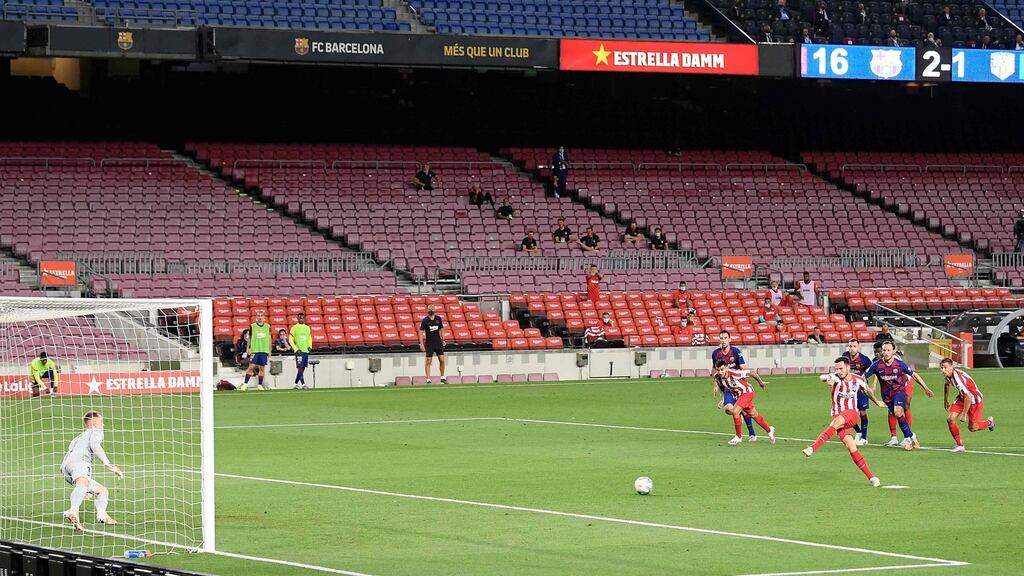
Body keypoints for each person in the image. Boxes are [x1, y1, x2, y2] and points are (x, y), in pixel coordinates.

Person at [801, 358, 884, 487]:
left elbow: (867, 390)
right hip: (837, 415)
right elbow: (823, 377)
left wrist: (876, 401)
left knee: (835, 424)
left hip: (852, 413)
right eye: (836, 369)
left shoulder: (858, 379)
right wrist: (825, 379)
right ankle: (872, 477)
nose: (838, 371)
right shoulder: (835, 378)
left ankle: (812, 448)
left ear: (848, 368)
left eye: (841, 368)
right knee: (851, 447)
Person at [61, 411, 124, 530]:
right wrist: (108, 463)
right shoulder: (96, 431)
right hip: (80, 462)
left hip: (65, 467)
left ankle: (102, 515)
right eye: (101, 421)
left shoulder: (78, 437)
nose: (103, 424)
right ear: (94, 423)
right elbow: (95, 445)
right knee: (83, 484)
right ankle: (73, 510)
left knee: (102, 491)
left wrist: (81, 489)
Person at [864, 341, 933, 449]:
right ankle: (911, 435)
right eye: (884, 350)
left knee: (898, 411)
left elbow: (914, 375)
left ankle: (908, 439)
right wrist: (865, 387)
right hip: (886, 396)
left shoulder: (899, 364)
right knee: (898, 415)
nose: (886, 353)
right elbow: (863, 377)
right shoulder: (877, 365)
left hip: (899, 392)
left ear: (893, 351)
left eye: (888, 350)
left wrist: (926, 388)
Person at [712, 331, 759, 443]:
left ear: (729, 339)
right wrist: (715, 385)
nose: (723, 340)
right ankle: (738, 414)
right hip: (727, 387)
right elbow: (714, 369)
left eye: (725, 338)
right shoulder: (716, 354)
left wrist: (743, 381)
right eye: (721, 338)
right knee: (728, 409)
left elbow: (743, 367)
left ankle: (752, 434)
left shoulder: (736, 352)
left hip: (738, 385)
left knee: (745, 411)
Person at [713, 360, 775, 446]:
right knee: (754, 415)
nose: (720, 372)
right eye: (718, 370)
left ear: (726, 368)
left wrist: (760, 382)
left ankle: (738, 437)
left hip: (747, 393)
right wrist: (723, 399)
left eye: (722, 369)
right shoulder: (717, 376)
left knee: (735, 411)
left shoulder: (735, 373)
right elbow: (723, 388)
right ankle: (769, 430)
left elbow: (752, 373)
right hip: (738, 396)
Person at [941, 359, 995, 452]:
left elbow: (968, 397)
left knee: (972, 428)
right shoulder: (949, 375)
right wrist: (946, 401)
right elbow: (947, 385)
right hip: (963, 398)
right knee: (950, 419)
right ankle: (960, 444)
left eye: (945, 368)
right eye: (942, 368)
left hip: (974, 400)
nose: (943, 370)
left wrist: (964, 414)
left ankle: (989, 422)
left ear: (951, 367)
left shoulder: (958, 379)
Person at [842, 339, 875, 446]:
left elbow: (873, 370)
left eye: (854, 346)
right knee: (846, 413)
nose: (852, 348)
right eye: (850, 346)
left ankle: (864, 438)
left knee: (862, 413)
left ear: (858, 347)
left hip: (861, 390)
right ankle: (859, 432)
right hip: (849, 390)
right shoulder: (845, 356)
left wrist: (872, 384)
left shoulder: (864, 360)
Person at [240, 309, 271, 391]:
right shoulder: (252, 326)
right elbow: (249, 338)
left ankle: (259, 385)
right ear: (256, 317)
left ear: (264, 317)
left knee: (262, 368)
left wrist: (269, 350)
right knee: (251, 367)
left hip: (264, 350)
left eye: (261, 316)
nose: (260, 317)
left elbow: (269, 338)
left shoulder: (267, 326)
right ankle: (245, 384)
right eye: (258, 316)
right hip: (255, 350)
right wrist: (248, 348)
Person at [419, 305, 446, 384]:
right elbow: (421, 332)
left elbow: (441, 328)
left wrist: (443, 338)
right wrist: (421, 344)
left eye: (432, 309)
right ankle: (428, 379)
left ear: (435, 310)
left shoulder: (438, 319)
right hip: (429, 343)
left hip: (438, 342)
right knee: (428, 361)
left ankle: (442, 377)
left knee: (442, 360)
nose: (431, 310)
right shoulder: (425, 320)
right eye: (429, 309)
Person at [290, 312, 313, 390]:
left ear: (304, 318)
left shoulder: (307, 328)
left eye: (303, 318)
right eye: (300, 318)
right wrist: (296, 349)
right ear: (297, 318)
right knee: (300, 367)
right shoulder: (294, 328)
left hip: (305, 351)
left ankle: (295, 384)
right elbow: (290, 340)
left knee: (303, 368)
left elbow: (309, 338)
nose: (301, 319)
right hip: (299, 352)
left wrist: (310, 346)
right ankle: (303, 384)